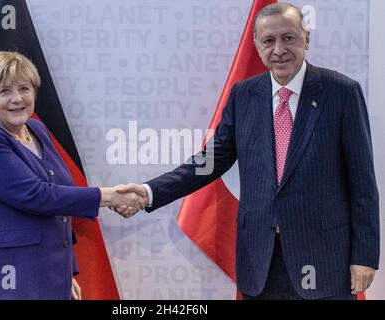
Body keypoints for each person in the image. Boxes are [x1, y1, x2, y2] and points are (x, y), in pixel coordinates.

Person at [114, 3, 380, 300]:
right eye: (268, 41)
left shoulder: (341, 92)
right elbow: (209, 162)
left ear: (306, 39)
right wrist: (149, 192)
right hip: (260, 264)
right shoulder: (244, 95)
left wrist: (365, 256)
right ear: (257, 46)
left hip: (324, 263)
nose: (278, 49)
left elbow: (363, 184)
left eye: (288, 38)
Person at [0, 51, 147, 300]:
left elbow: (58, 207)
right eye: (5, 91)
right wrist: (111, 196)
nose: (17, 98)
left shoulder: (37, 130)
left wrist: (66, 271)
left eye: (24, 88)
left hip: (41, 277)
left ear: (34, 92)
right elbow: (36, 195)